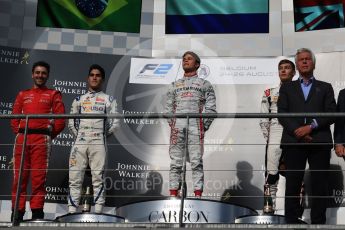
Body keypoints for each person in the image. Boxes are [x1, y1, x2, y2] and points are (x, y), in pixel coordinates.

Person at [278, 48, 336, 224]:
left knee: (320, 184)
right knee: (293, 183)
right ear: (296, 64)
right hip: (294, 141)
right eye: (301, 59)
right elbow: (282, 113)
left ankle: (319, 223)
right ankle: (291, 222)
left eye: (307, 59)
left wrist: (310, 127)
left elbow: (332, 113)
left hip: (319, 141)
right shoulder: (287, 87)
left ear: (313, 63)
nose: (304, 62)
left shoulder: (325, 87)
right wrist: (299, 132)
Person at [10, 61, 65, 221]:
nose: (40, 75)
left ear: (47, 75)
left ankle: (37, 214)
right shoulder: (22, 94)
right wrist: (22, 133)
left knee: (38, 178)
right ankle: (17, 214)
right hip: (22, 139)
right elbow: (14, 119)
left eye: (43, 73)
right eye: (37, 72)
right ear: (32, 74)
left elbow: (61, 121)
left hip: (41, 140)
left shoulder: (54, 94)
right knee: (19, 178)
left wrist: (47, 136)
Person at [68, 64, 118, 214]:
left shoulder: (108, 99)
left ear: (102, 79)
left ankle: (98, 212)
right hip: (80, 142)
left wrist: (102, 134)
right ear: (88, 78)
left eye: (97, 75)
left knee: (98, 177)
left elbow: (115, 124)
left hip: (98, 141)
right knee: (75, 177)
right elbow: (71, 122)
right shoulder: (79, 99)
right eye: (92, 75)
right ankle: (71, 212)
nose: (94, 77)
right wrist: (79, 136)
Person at [165, 51, 217, 198]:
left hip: (196, 124)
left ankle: (198, 195)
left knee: (196, 161)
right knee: (175, 162)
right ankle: (173, 194)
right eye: (184, 59)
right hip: (178, 126)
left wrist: (203, 125)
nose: (185, 61)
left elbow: (211, 109)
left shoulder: (205, 84)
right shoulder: (174, 85)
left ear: (197, 64)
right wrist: (174, 124)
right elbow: (168, 109)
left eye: (189, 59)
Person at [259, 59, 295, 211]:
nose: (283, 70)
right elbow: (262, 119)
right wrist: (270, 138)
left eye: (287, 68)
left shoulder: (300, 91)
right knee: (272, 172)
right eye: (281, 68)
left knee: (295, 173)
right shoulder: (270, 92)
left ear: (294, 72)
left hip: (294, 132)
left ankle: (295, 210)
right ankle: (269, 206)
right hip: (275, 130)